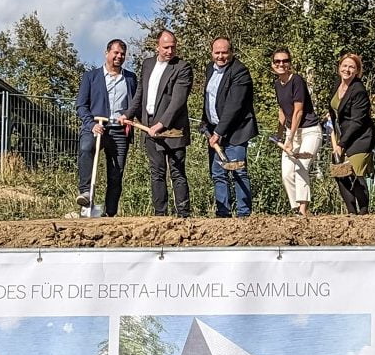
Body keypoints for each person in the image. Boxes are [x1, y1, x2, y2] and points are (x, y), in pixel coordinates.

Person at [123, 29, 192, 217]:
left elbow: (178, 101)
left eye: (173, 47)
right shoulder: (147, 65)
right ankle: (160, 215)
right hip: (149, 130)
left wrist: (161, 124)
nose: (170, 51)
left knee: (177, 172)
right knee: (157, 173)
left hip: (173, 131)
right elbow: (140, 94)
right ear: (157, 47)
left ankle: (183, 215)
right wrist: (128, 114)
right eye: (166, 47)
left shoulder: (182, 68)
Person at [75, 39, 137, 215]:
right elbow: (81, 105)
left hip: (118, 130)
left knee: (116, 173)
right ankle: (85, 192)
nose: (119, 56)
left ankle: (110, 213)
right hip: (96, 127)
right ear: (107, 53)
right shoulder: (91, 77)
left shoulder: (131, 79)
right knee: (86, 149)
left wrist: (130, 117)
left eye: (122, 54)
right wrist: (91, 124)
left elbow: (135, 104)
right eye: (116, 53)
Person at [200, 37, 258, 217]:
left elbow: (234, 105)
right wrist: (206, 124)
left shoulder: (240, 72)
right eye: (217, 52)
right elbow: (209, 99)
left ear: (231, 52)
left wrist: (219, 132)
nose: (220, 56)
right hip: (215, 130)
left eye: (224, 52)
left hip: (236, 132)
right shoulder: (211, 69)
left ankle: (243, 214)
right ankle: (223, 214)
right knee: (218, 173)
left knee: (238, 172)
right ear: (211, 53)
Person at [271, 48, 321, 216]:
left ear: (290, 63)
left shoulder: (297, 81)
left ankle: (303, 210)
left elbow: (298, 111)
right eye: (277, 61)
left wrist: (290, 139)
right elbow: (282, 110)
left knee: (301, 167)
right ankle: (295, 210)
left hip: (309, 131)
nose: (281, 64)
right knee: (286, 173)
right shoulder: (278, 84)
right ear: (273, 65)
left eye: (284, 61)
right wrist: (279, 134)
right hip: (290, 133)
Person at [329, 53, 374, 215]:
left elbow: (357, 121)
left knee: (355, 173)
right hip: (342, 135)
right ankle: (351, 212)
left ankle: (363, 212)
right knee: (339, 173)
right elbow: (335, 108)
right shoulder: (337, 84)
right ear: (339, 67)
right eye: (345, 66)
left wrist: (342, 144)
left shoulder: (358, 90)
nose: (347, 70)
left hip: (360, 138)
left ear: (357, 71)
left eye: (351, 67)